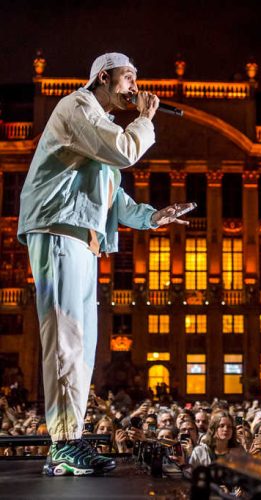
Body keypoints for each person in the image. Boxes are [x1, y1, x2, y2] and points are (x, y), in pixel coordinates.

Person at [17, 52, 188, 476]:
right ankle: (62, 443)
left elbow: (115, 197)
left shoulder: (101, 127)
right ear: (104, 77)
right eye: (129, 77)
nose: (135, 86)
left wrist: (152, 217)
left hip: (85, 242)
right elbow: (125, 152)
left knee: (83, 346)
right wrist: (145, 119)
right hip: (59, 231)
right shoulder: (77, 108)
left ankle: (70, 440)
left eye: (137, 79)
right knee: (66, 339)